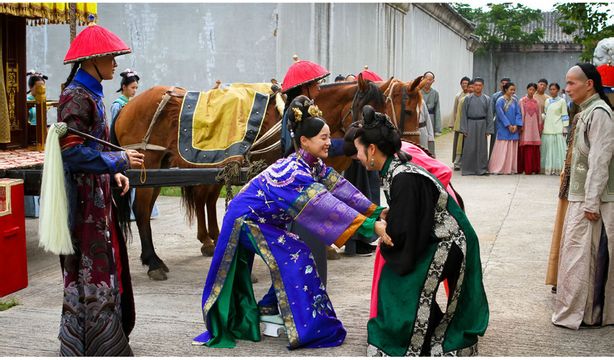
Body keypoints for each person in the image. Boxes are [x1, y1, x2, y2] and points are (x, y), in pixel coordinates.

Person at [192, 96, 389, 349]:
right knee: (296, 254)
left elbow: (343, 191)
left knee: (294, 251)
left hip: (263, 219)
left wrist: (375, 211)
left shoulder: (313, 165)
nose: (330, 143)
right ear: (305, 141)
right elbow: (328, 207)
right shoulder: (293, 174)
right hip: (245, 220)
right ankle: (311, 328)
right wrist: (370, 226)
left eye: (329, 137)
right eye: (324, 138)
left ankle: (270, 305)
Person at [347, 106, 488, 356]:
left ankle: (409, 341)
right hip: (434, 236)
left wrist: (388, 234)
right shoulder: (393, 168)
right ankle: (412, 332)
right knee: (395, 277)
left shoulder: (402, 176)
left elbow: (406, 230)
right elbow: (411, 216)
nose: (355, 156)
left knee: (400, 280)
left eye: (357, 150)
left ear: (371, 150)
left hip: (450, 242)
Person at [55, 21, 145, 356]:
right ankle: (88, 343)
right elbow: (72, 152)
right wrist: (117, 162)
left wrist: (112, 172)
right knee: (88, 268)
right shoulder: (75, 97)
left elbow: (96, 144)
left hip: (98, 195)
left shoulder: (92, 92)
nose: (116, 63)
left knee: (105, 264)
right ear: (92, 61)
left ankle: (104, 338)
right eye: (111, 57)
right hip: (82, 202)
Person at [552, 63, 614, 330]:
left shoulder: (600, 113)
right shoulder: (586, 111)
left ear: (589, 84)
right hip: (580, 197)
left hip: (596, 201)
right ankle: (578, 312)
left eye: (571, 83)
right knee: (576, 257)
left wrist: (591, 201)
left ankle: (591, 314)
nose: (567, 89)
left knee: (588, 259)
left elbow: (600, 160)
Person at [24, 70, 48, 218]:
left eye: (43, 86)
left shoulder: (42, 99)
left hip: (41, 133)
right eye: (38, 86)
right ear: (31, 87)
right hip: (31, 134)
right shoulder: (26, 101)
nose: (41, 89)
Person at [460, 78, 493, 176]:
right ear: (473, 86)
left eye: (480, 85)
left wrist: (488, 129)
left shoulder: (487, 99)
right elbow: (464, 115)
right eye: (476, 85)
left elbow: (489, 115)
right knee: (469, 147)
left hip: (482, 124)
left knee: (482, 148)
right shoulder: (468, 99)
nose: (478, 87)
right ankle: (468, 169)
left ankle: (481, 169)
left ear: (482, 86)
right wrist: (464, 129)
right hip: (470, 123)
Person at [489, 82, 522, 175]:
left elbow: (518, 113)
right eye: (511, 89)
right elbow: (500, 115)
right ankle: (498, 168)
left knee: (511, 148)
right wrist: (508, 125)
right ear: (506, 90)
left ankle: (509, 168)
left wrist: (516, 125)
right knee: (502, 147)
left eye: (514, 90)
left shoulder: (515, 100)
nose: (513, 91)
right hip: (503, 128)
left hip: (514, 128)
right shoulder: (500, 100)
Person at [541, 83, 569, 175]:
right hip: (547, 127)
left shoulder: (562, 101)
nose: (552, 91)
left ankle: (558, 169)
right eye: (551, 89)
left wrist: (565, 127)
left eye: (554, 89)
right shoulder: (547, 101)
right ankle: (548, 168)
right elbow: (545, 113)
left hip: (558, 127)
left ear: (558, 90)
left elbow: (565, 114)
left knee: (558, 150)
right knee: (548, 149)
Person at [517, 83, 542, 175]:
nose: (531, 91)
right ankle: (524, 168)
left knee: (534, 147)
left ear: (535, 91)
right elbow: (520, 114)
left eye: (533, 90)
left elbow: (539, 116)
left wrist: (539, 128)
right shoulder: (522, 101)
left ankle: (534, 168)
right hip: (525, 127)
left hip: (534, 128)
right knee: (525, 146)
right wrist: (521, 125)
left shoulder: (537, 102)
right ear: (527, 89)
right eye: (530, 89)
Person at [452, 76, 471, 170]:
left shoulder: (471, 96)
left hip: (469, 123)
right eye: (463, 83)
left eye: (467, 83)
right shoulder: (458, 96)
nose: (465, 85)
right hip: (459, 123)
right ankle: (457, 162)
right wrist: (453, 123)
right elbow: (455, 110)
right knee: (458, 144)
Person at [490, 77, 511, 158]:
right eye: (502, 83)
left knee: (507, 143)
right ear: (500, 85)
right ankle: (493, 160)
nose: (504, 85)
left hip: (510, 124)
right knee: (495, 142)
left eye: (506, 83)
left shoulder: (514, 97)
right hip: (497, 123)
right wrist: (490, 125)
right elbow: (491, 112)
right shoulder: (495, 96)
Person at [421, 71, 442, 135]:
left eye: (430, 80)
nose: (428, 82)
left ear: (433, 81)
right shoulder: (418, 92)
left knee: (430, 139)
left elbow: (437, 110)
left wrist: (437, 129)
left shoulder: (435, 93)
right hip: (421, 118)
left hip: (431, 118)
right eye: (426, 79)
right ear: (422, 79)